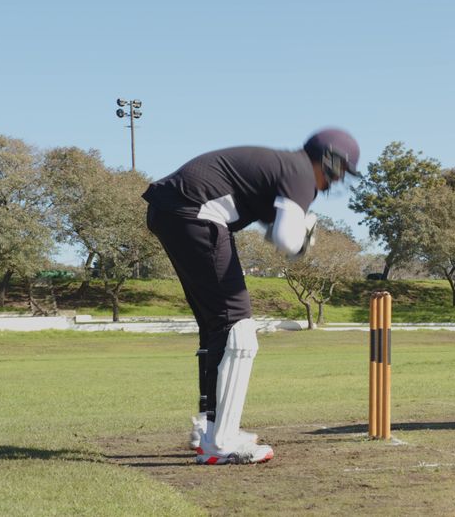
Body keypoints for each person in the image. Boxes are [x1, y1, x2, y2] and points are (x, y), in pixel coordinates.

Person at [143, 128, 361, 464]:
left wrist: (298, 232)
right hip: (195, 213)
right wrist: (304, 235)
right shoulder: (300, 171)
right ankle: (222, 441)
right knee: (238, 327)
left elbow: (276, 230)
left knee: (218, 326)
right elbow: (288, 241)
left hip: (174, 211)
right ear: (328, 160)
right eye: (339, 171)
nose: (335, 181)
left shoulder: (285, 167)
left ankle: (208, 427)